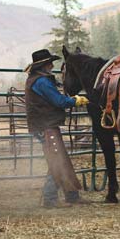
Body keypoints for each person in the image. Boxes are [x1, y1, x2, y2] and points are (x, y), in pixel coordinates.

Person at [24, 49, 89, 208]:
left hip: (45, 125)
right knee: (56, 161)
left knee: (60, 159)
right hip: (46, 126)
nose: (52, 65)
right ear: (44, 65)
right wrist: (75, 101)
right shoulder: (42, 82)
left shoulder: (37, 79)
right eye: (50, 62)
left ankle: (71, 195)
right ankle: (50, 199)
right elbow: (59, 101)